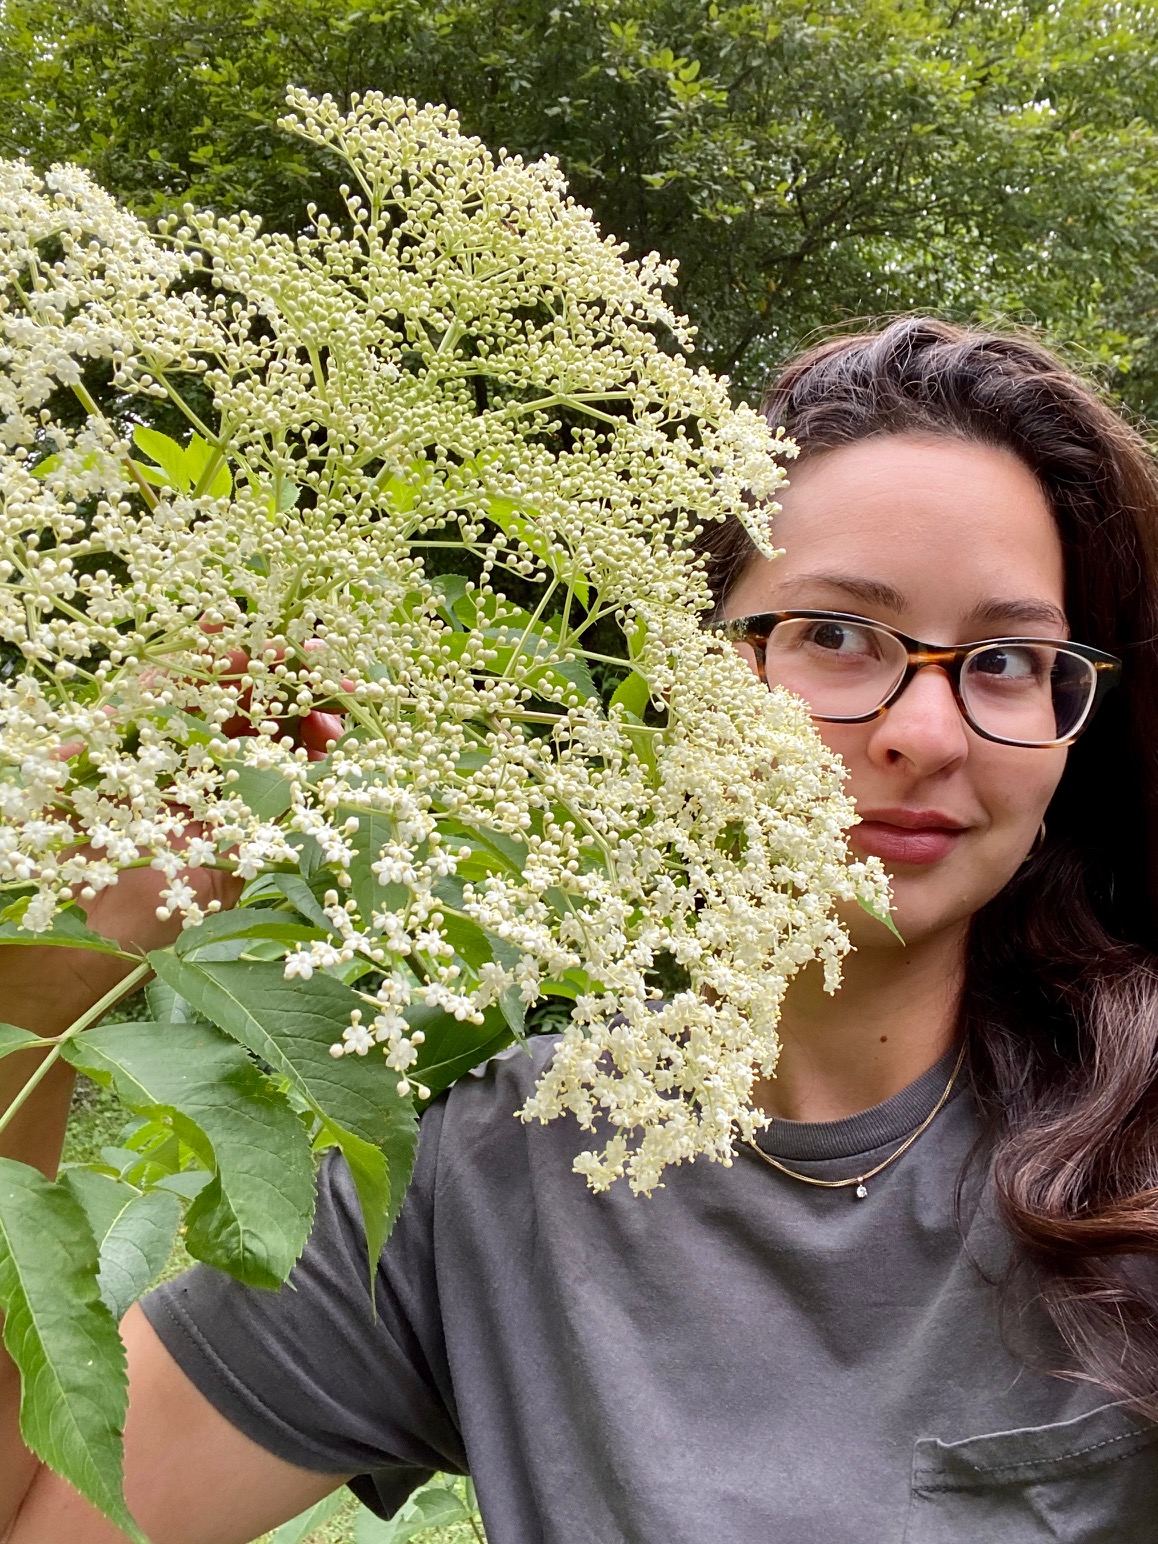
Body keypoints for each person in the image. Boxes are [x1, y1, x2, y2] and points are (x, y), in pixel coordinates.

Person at [4, 316, 1158, 1544]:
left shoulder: (1129, 1149)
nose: (924, 735)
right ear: (681, 673)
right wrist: (42, 977)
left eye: (1006, 659)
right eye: (831, 633)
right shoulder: (494, 1168)